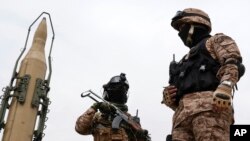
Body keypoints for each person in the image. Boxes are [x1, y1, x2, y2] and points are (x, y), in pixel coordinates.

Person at [162, 8, 245, 141]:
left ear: (194, 24)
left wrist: (226, 85)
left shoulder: (215, 41)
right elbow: (178, 93)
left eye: (182, 27)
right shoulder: (183, 61)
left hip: (211, 108)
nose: (180, 33)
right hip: (181, 118)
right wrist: (170, 98)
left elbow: (232, 63)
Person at [75, 73, 151, 141]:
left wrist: (141, 134)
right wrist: (95, 107)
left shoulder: (129, 120)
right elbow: (80, 128)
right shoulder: (98, 117)